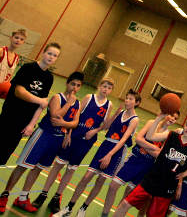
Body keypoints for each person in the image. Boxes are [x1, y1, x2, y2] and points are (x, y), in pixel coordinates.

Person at [0, 72, 81, 213]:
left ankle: (23, 198)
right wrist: (68, 105)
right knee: (23, 166)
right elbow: (56, 117)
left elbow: (75, 123)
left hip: (57, 139)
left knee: (37, 168)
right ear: (67, 83)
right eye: (73, 84)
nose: (75, 87)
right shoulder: (57, 97)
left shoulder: (78, 103)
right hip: (43, 135)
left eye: (78, 85)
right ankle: (5, 195)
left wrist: (66, 126)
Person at [54, 89, 141, 217]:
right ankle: (69, 207)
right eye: (126, 98)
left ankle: (83, 208)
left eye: (130, 99)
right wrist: (115, 114)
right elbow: (106, 126)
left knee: (100, 181)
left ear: (137, 103)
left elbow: (123, 139)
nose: (127, 101)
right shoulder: (120, 113)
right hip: (105, 145)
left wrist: (110, 155)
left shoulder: (134, 120)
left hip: (116, 151)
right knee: (86, 177)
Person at [34, 77, 114, 213]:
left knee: (71, 170)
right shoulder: (89, 97)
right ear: (99, 86)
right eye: (104, 86)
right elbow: (74, 114)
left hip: (87, 141)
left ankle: (56, 197)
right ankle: (43, 194)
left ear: (111, 90)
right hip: (74, 135)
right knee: (58, 165)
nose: (106, 89)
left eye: (109, 88)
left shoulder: (109, 105)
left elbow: (105, 126)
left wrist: (97, 130)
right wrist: (68, 134)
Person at [112, 115, 187, 217]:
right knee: (125, 203)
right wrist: (159, 119)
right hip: (152, 178)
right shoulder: (172, 135)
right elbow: (150, 136)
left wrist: (184, 174)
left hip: (168, 186)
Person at [102, 111, 182, 217]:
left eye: (175, 118)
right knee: (113, 186)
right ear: (165, 113)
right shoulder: (151, 123)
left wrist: (146, 145)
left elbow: (159, 154)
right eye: (171, 115)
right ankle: (104, 214)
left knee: (127, 196)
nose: (172, 119)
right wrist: (154, 148)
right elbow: (138, 139)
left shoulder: (168, 135)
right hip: (134, 159)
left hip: (147, 166)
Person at [0, 42, 60, 173]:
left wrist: (31, 125)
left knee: (4, 155)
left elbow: (41, 105)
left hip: (23, 123)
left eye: (55, 56)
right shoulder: (28, 68)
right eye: (49, 53)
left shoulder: (49, 78)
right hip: (9, 116)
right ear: (43, 53)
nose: (51, 57)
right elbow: (19, 91)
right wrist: (39, 100)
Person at [0, 28, 27, 98]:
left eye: (21, 39)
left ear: (23, 43)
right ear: (11, 38)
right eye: (16, 37)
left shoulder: (16, 58)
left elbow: (9, 76)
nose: (18, 40)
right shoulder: (1, 51)